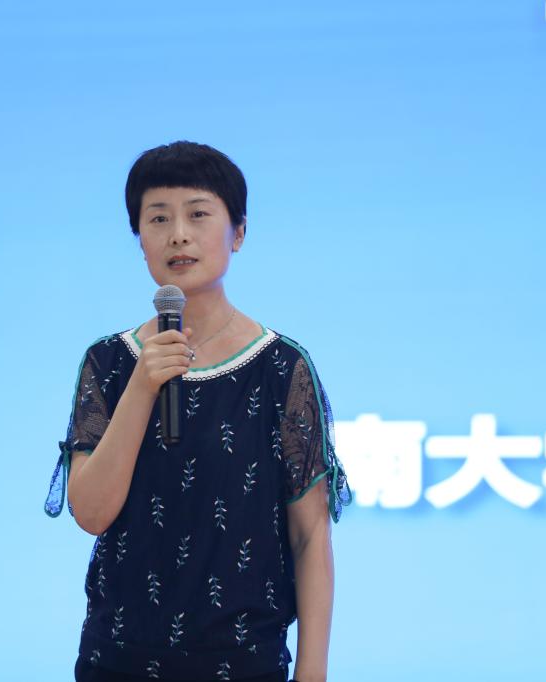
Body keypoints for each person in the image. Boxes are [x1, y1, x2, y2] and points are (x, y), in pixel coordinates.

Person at [44, 141, 351, 682]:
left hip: (244, 662)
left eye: (199, 214)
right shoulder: (110, 363)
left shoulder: (281, 367)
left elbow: (309, 536)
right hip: (118, 662)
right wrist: (143, 385)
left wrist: (312, 674)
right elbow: (91, 513)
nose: (178, 234)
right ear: (139, 238)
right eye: (158, 218)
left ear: (238, 232)